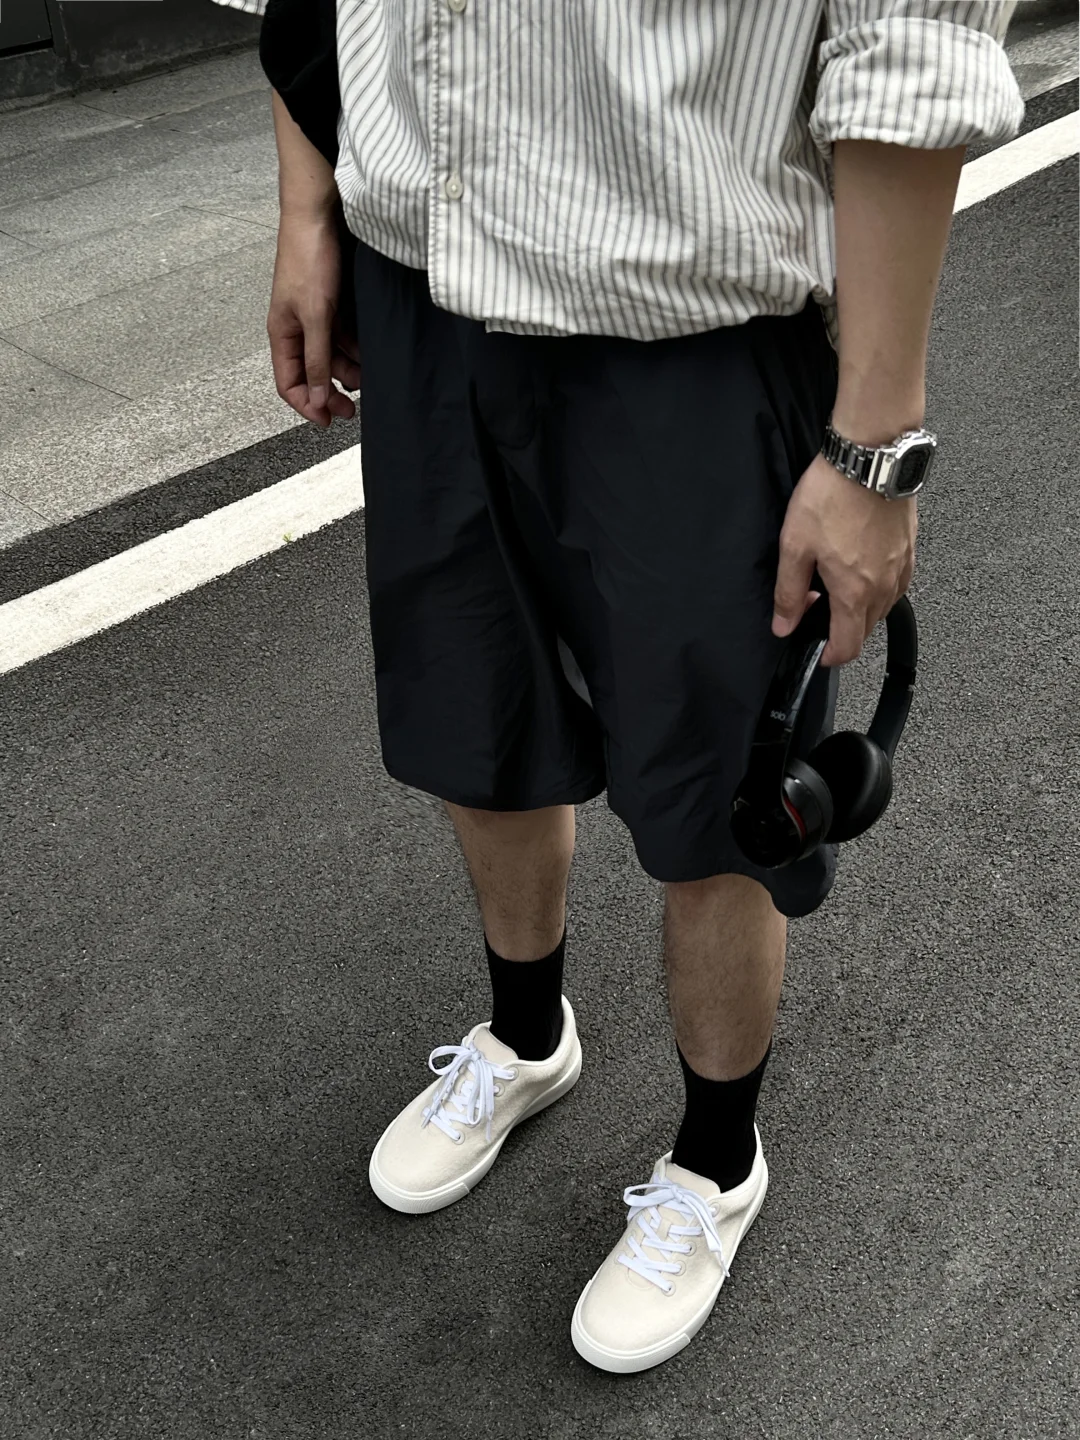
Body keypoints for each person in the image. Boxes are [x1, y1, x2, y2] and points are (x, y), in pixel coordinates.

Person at [214, 0, 1022, 1373]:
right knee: (474, 715)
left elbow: (911, 47)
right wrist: (308, 209)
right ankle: (528, 1036)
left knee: (720, 798)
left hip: (686, 312)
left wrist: (875, 442)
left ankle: (717, 1161)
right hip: (419, 287)